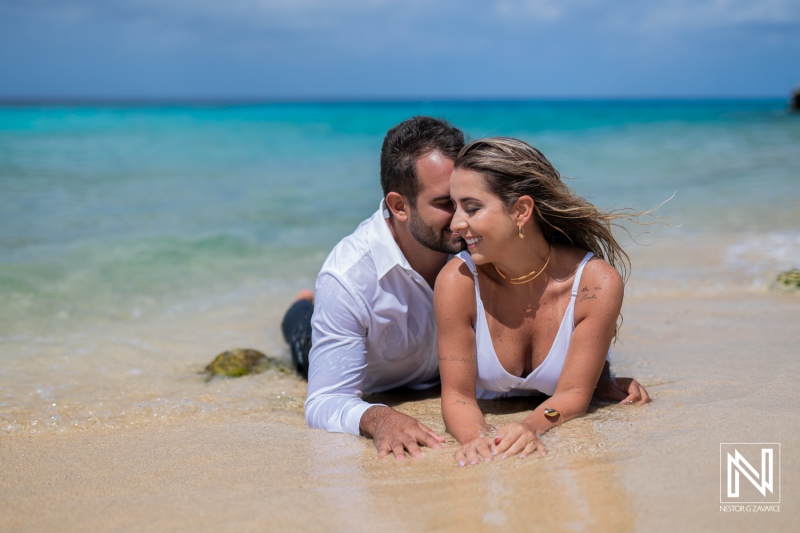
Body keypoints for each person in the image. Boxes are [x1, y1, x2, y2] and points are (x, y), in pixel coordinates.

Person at [434, 137, 650, 467]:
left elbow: (573, 396)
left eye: (472, 208)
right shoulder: (457, 281)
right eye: (454, 206)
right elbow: (457, 396)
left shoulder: (595, 283)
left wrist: (530, 426)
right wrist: (475, 439)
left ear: (521, 211)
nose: (455, 224)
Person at [289, 116, 467, 460]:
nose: (462, 218)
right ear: (399, 206)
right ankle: (301, 304)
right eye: (446, 203)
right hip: (349, 356)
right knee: (300, 331)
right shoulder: (348, 277)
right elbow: (324, 401)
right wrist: (378, 416)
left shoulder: (474, 238)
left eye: (467, 199)